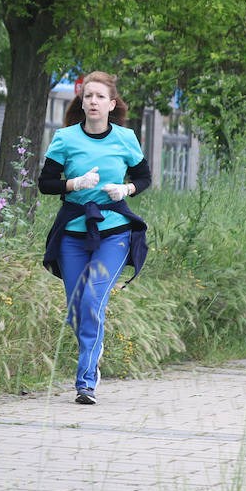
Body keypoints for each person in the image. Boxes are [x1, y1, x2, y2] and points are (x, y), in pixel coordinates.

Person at [39, 72, 151, 405]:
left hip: (114, 233)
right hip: (73, 234)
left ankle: (85, 381)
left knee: (92, 300)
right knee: (77, 309)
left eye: (100, 97)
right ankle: (94, 348)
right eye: (88, 96)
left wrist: (126, 189)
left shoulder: (126, 138)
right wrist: (76, 184)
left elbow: (145, 177)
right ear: (81, 101)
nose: (93, 102)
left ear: (111, 104)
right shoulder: (65, 138)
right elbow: (46, 183)